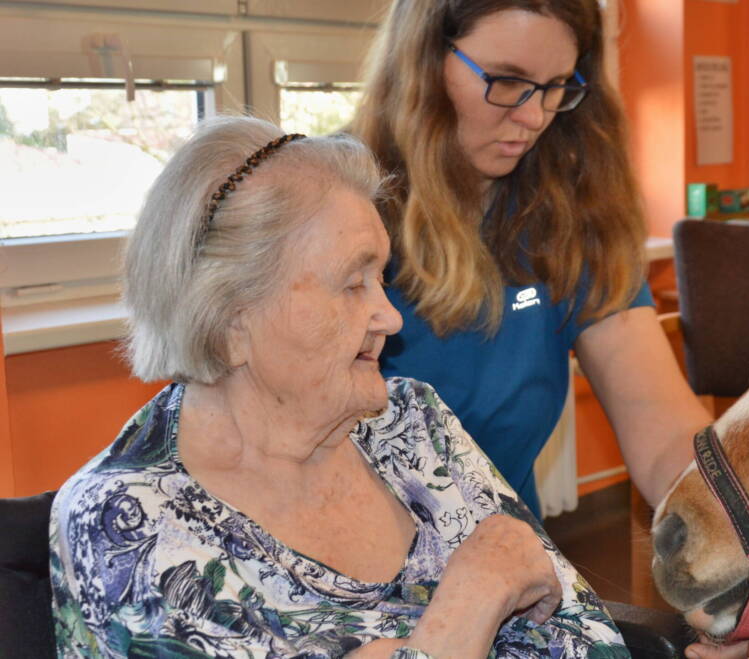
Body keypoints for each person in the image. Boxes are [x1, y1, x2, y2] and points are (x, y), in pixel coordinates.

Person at [49, 116, 628, 658]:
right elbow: (505, 584)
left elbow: (591, 636)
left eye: (381, 277)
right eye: (354, 284)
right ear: (229, 322)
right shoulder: (128, 521)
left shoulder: (408, 422)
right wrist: (470, 603)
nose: (390, 317)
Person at [349, 0, 712, 521]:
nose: (534, 116)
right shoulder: (330, 206)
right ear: (424, 62)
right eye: (506, 80)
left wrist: (747, 525)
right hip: (342, 576)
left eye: (556, 85)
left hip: (507, 560)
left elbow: (662, 430)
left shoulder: (569, 222)